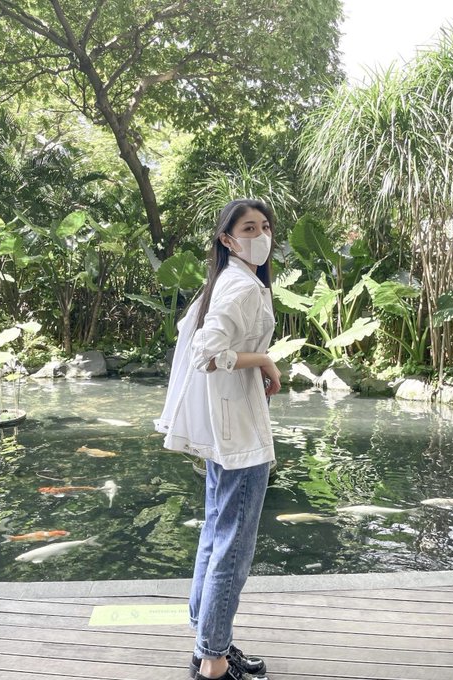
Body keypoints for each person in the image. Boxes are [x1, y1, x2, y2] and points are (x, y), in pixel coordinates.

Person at [155, 198, 281, 680]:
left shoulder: (229, 280)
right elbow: (207, 353)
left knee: (215, 534)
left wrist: (256, 360)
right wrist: (264, 360)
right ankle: (212, 661)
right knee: (233, 546)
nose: (260, 235)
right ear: (227, 239)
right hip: (238, 434)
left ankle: (210, 643)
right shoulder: (240, 286)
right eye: (249, 228)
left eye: (265, 226)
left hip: (225, 427)